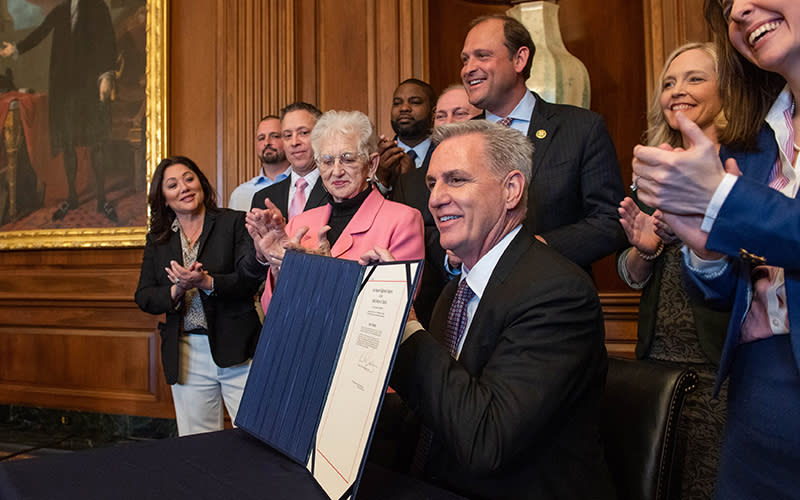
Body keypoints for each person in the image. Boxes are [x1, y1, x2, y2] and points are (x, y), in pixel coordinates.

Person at [362, 120, 614, 499]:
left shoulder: (557, 293)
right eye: (432, 184)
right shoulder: (454, 292)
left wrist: (407, 327)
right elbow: (433, 413)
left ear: (511, 189)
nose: (435, 199)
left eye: (456, 180)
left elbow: (487, 440)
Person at [632, 1, 800, 497]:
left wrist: (722, 200)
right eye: (727, 5)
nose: (741, 9)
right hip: (756, 390)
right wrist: (705, 251)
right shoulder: (760, 142)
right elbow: (733, 290)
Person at [617, 42, 729, 500]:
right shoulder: (654, 168)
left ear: (728, 90)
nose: (677, 91)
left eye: (694, 79)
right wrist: (645, 250)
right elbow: (631, 273)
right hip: (657, 361)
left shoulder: (746, 166)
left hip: (723, 366)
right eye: (669, 83)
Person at [460, 15, 627, 271]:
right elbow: (432, 225)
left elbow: (609, 221)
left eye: (482, 56)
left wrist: (539, 249)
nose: (468, 68)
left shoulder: (581, 128)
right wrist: (451, 256)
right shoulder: (457, 140)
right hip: (474, 302)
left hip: (555, 298)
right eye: (465, 59)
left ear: (520, 59)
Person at [243, 110, 425, 315]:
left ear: (372, 164)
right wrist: (278, 267)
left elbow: (392, 310)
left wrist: (326, 274)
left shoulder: (402, 220)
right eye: (327, 161)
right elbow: (272, 310)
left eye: (347, 159)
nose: (336, 171)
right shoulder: (299, 224)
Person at [135, 156, 262, 436]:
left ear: (201, 184)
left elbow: (249, 280)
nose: (184, 187)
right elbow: (144, 296)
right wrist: (176, 289)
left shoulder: (234, 223)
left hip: (238, 348)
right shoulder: (159, 239)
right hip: (187, 354)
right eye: (173, 185)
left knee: (257, 438)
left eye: (189, 178)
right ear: (164, 198)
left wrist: (207, 282)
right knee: (198, 443)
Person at [0, 0, 118, 222]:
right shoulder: (62, 10)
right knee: (67, 143)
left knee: (97, 143)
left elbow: (107, 41)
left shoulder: (97, 7)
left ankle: (102, 198)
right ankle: (72, 196)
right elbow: (41, 32)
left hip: (89, 88)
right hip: (65, 90)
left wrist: (106, 76)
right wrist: (15, 48)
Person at [250, 102, 328, 218]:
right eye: (287, 135)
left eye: (303, 133)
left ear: (322, 135)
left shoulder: (337, 189)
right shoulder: (263, 198)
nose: (294, 142)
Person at [374, 78, 436, 192]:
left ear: (433, 113)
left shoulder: (443, 153)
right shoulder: (376, 158)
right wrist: (381, 178)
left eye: (415, 102)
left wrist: (412, 179)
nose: (404, 108)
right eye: (397, 103)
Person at [228, 115, 291, 211]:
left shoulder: (300, 185)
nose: (267, 142)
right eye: (261, 138)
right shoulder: (240, 194)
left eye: (275, 136)